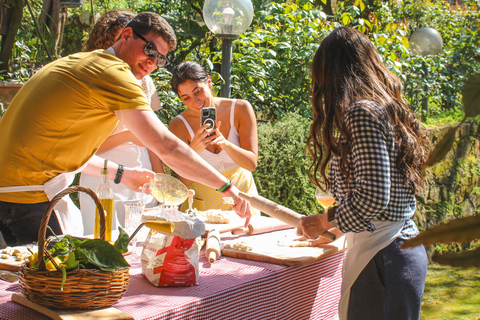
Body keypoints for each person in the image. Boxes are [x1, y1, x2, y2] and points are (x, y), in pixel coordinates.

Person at [0, 12, 252, 246]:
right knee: (57, 287)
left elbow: (67, 154)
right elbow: (167, 146)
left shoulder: (84, 61)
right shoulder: (114, 72)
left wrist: (123, 174)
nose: (152, 62)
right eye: (149, 49)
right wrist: (226, 186)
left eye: (160, 58)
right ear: (127, 35)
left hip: (12, 191)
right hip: (27, 195)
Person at [296, 27, 430, 320]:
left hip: (384, 258)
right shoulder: (383, 108)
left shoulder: (362, 113)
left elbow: (373, 198)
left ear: (332, 73)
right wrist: (335, 230)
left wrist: (324, 220)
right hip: (394, 254)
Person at [79, 10, 165, 236]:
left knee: (145, 241)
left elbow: (154, 141)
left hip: (141, 171)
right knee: (103, 243)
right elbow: (83, 150)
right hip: (102, 175)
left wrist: (161, 183)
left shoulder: (145, 81)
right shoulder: (94, 76)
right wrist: (128, 136)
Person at [169, 61, 259, 213]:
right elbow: (184, 182)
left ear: (209, 82)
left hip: (243, 203)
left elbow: (251, 164)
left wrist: (226, 144)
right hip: (202, 208)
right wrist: (193, 151)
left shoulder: (240, 109)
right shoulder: (178, 125)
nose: (195, 102)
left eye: (198, 91)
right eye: (186, 98)